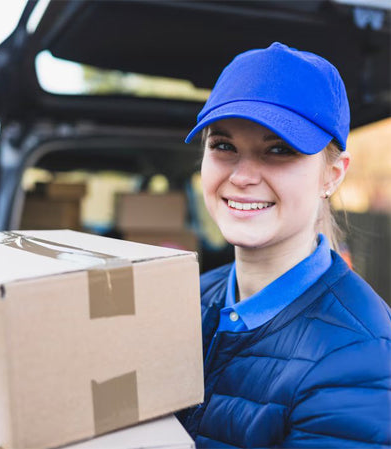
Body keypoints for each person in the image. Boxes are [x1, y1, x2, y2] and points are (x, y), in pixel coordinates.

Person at [178, 42, 391, 448]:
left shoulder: (360, 358)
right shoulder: (189, 298)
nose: (242, 176)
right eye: (223, 146)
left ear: (332, 174)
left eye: (279, 150)